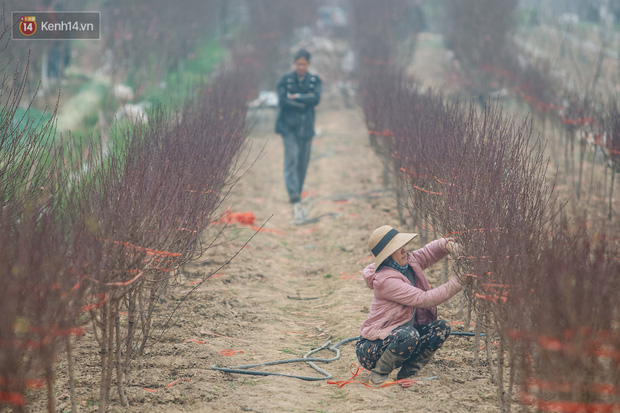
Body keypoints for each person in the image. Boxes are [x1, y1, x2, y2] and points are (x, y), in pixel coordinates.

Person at [356, 225, 468, 386]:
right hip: (371, 349)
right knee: (409, 335)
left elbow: (429, 252)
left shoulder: (408, 262)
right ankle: (378, 375)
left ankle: (406, 374)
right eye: (397, 248)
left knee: (441, 328)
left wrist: (447, 245)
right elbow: (425, 299)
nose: (403, 250)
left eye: (403, 245)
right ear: (387, 255)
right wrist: (460, 281)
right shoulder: (386, 280)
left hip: (399, 338)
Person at [275, 49, 322, 224]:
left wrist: (295, 98)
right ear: (294, 63)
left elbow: (315, 99)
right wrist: (303, 101)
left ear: (308, 64)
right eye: (298, 63)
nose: (301, 67)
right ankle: (293, 193)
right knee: (292, 158)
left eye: (304, 63)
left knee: (303, 162)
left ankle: (298, 191)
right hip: (288, 127)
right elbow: (282, 100)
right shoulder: (285, 80)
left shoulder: (314, 80)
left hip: (306, 128)